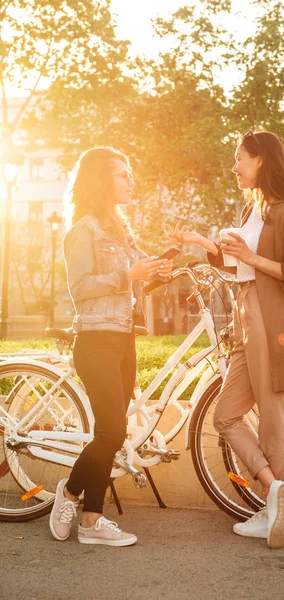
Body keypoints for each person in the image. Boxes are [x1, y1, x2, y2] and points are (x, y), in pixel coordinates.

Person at [168, 130, 284, 549]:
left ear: (261, 161)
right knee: (226, 416)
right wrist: (204, 244)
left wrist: (252, 258)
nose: (234, 166)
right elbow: (240, 268)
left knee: (273, 421)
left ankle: (277, 514)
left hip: (270, 319)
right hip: (244, 312)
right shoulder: (251, 210)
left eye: (240, 158)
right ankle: (274, 491)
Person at [49, 147, 172, 547]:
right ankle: (68, 494)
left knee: (111, 434)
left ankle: (91, 522)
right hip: (95, 341)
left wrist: (160, 266)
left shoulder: (120, 230)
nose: (130, 181)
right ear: (102, 181)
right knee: (112, 431)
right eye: (122, 175)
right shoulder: (81, 231)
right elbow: (80, 288)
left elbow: (138, 272)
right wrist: (128, 274)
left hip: (123, 341)